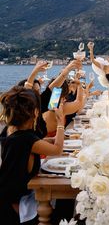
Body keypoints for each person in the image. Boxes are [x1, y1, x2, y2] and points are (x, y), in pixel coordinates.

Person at [0, 86, 65, 224]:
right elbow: (57, 150)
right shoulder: (28, 140)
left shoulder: (12, 132)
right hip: (15, 208)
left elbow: (31, 144)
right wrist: (61, 123)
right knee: (63, 206)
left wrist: (46, 141)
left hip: (9, 198)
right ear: (35, 112)